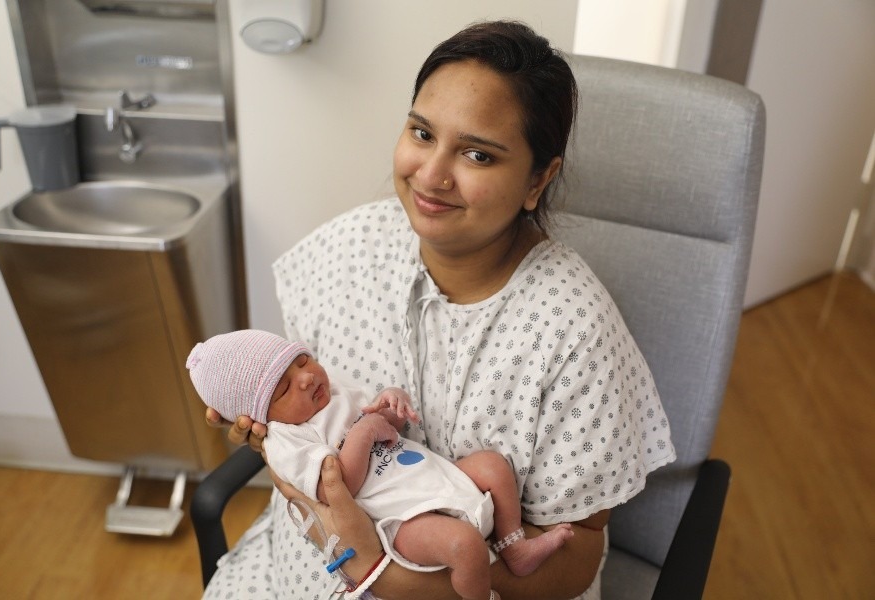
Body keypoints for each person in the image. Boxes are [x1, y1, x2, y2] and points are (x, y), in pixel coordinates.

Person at [204, 20, 676, 600]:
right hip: (296, 573)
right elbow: (300, 414)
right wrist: (267, 428)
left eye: (478, 153)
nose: (430, 175)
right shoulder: (345, 250)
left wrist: (387, 576)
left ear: (538, 179)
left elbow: (577, 554)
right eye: (422, 133)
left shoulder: (572, 331)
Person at [188, 329, 574, 600]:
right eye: (284, 388)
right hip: (401, 519)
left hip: (433, 475)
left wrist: (390, 405)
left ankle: (514, 546)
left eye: (302, 361)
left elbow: (386, 428)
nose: (306, 379)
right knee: (465, 546)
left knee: (492, 466)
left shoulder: (332, 391)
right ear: (261, 417)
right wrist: (365, 432)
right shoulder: (287, 440)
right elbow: (334, 490)